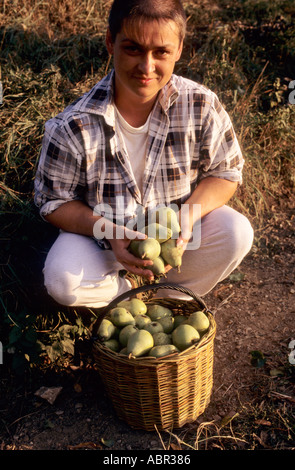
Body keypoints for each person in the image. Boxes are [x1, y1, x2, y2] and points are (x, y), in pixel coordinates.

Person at [34, 0, 254, 308]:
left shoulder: (200, 105)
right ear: (111, 42)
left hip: (173, 238)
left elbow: (226, 172)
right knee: (62, 281)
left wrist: (187, 216)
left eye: (161, 52)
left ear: (179, 49)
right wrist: (108, 231)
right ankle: (124, 294)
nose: (146, 67)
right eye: (133, 49)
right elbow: (53, 202)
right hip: (101, 238)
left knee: (237, 233)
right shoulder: (73, 124)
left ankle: (169, 297)